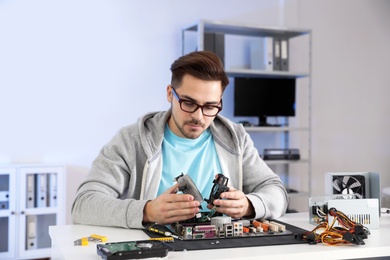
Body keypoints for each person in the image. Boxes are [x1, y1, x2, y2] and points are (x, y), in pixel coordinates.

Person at [71, 51, 288, 229]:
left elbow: (276, 191)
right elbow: (84, 204)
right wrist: (147, 211)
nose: (199, 116)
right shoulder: (131, 140)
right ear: (169, 94)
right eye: (188, 102)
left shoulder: (236, 138)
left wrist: (249, 205)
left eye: (210, 106)